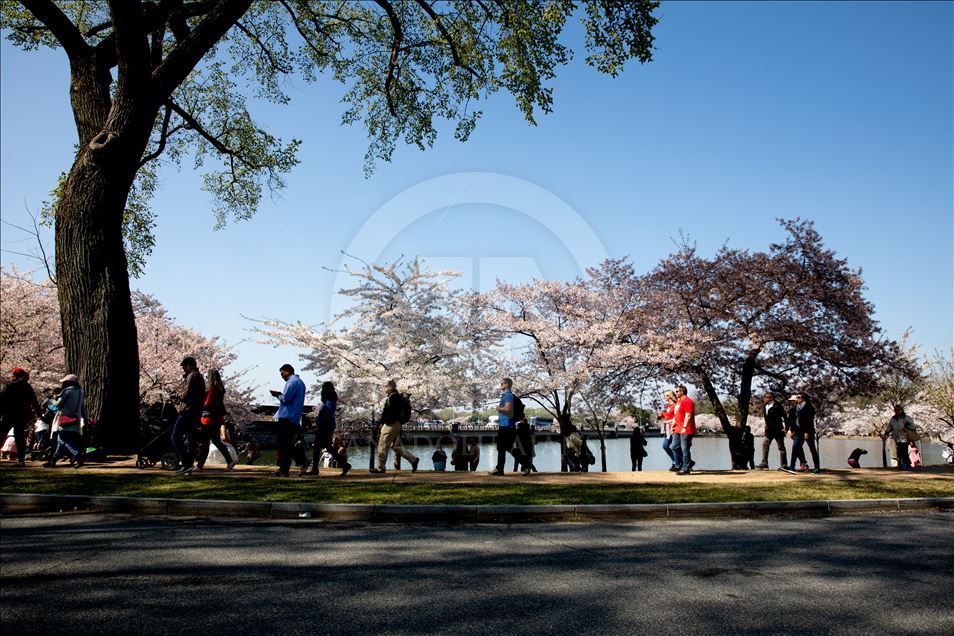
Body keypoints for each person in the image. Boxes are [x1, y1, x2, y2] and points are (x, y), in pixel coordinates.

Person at [370, 380, 419, 474]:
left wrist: (386, 421)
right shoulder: (397, 396)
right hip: (396, 424)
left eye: (385, 386)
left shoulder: (393, 397)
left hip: (390, 424)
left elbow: (391, 412)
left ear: (390, 387)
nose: (384, 388)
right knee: (395, 446)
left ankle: (380, 468)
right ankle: (413, 460)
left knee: (383, 445)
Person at [171, 357, 207, 476]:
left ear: (189, 365)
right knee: (191, 439)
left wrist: (177, 395)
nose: (183, 369)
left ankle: (186, 464)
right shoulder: (198, 376)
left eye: (184, 366)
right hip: (195, 412)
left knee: (175, 437)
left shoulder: (192, 376)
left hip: (187, 411)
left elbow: (186, 394)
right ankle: (188, 466)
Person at [0, 368, 42, 467]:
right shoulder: (27, 386)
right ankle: (21, 460)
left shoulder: (8, 386)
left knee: (1, 434)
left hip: (9, 414)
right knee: (20, 437)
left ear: (14, 375)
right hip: (22, 415)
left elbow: (2, 401)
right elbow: (34, 401)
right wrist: (39, 414)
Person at [42, 374, 87, 468]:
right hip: (76, 420)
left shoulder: (67, 391)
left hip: (65, 419)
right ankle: (53, 460)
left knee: (62, 439)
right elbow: (82, 408)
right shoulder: (81, 392)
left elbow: (57, 405)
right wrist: (85, 419)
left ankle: (77, 455)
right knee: (61, 440)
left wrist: (51, 400)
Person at [195, 369, 236, 471]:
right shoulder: (220, 389)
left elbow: (207, 403)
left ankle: (200, 465)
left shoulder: (212, 389)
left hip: (208, 419)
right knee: (216, 441)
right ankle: (229, 460)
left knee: (205, 443)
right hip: (217, 419)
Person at [310, 381, 350, 476]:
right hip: (326, 425)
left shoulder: (330, 400)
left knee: (318, 446)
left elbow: (329, 412)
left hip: (325, 426)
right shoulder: (328, 400)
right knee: (327, 447)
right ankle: (344, 464)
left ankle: (315, 468)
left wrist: (320, 420)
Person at [784, 393, 821, 474]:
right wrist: (793, 431)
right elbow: (793, 421)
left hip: (807, 431)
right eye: (797, 397)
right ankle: (792, 467)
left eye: (799, 397)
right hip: (798, 431)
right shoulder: (795, 408)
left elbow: (809, 421)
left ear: (803, 398)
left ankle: (817, 467)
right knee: (795, 448)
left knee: (812, 449)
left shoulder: (809, 407)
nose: (797, 398)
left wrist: (807, 432)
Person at [489, 378, 516, 475]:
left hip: (506, 426)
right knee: (504, 447)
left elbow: (508, 409)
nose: (500, 385)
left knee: (503, 447)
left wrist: (499, 409)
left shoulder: (508, 395)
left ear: (507, 385)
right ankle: (499, 469)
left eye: (502, 383)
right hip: (506, 426)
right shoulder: (506, 395)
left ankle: (500, 469)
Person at [757, 393, 788, 470]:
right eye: (765, 397)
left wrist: (786, 427)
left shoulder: (777, 406)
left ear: (771, 398)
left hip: (778, 430)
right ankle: (764, 463)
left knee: (781, 447)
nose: (765, 399)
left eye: (767, 397)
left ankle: (784, 464)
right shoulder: (765, 406)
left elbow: (784, 416)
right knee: (765, 444)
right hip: (769, 430)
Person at [882, 405, 916, 470]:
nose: (896, 411)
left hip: (905, 437)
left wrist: (907, 425)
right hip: (897, 438)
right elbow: (889, 427)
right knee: (899, 452)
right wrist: (886, 434)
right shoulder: (893, 419)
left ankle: (906, 465)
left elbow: (913, 427)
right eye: (895, 410)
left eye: (898, 410)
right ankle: (902, 465)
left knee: (904, 451)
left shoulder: (907, 418)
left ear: (901, 410)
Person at [672, 385, 696, 475]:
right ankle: (689, 462)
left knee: (685, 449)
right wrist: (672, 426)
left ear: (682, 392)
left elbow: (688, 415)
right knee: (674, 447)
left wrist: (684, 427)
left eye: (677, 391)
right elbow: (676, 414)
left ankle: (686, 469)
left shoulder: (687, 401)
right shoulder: (678, 402)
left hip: (686, 429)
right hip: (677, 429)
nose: (676, 393)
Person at [658, 390, 680, 471]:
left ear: (669, 396)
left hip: (673, 428)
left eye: (665, 395)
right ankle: (676, 461)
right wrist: (661, 414)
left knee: (674, 446)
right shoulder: (668, 406)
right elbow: (667, 415)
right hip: (667, 428)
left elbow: (676, 416)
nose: (664, 397)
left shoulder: (676, 405)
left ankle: (678, 463)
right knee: (665, 446)